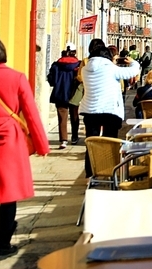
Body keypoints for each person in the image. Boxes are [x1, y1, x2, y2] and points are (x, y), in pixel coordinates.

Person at [0, 35, 50, 261]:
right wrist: (42, 145)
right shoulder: (16, 77)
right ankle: (2, 245)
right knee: (9, 195)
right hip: (10, 139)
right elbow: (31, 113)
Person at [79, 38, 141, 176]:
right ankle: (110, 171)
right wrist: (133, 62)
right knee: (111, 142)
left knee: (91, 144)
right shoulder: (111, 68)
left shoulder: (85, 69)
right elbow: (132, 72)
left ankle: (91, 174)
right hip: (109, 111)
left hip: (90, 110)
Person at [47, 44, 82, 150]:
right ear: (74, 52)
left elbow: (51, 80)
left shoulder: (56, 65)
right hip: (74, 93)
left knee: (62, 117)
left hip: (60, 92)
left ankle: (63, 140)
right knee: (74, 116)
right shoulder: (79, 65)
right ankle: (75, 137)